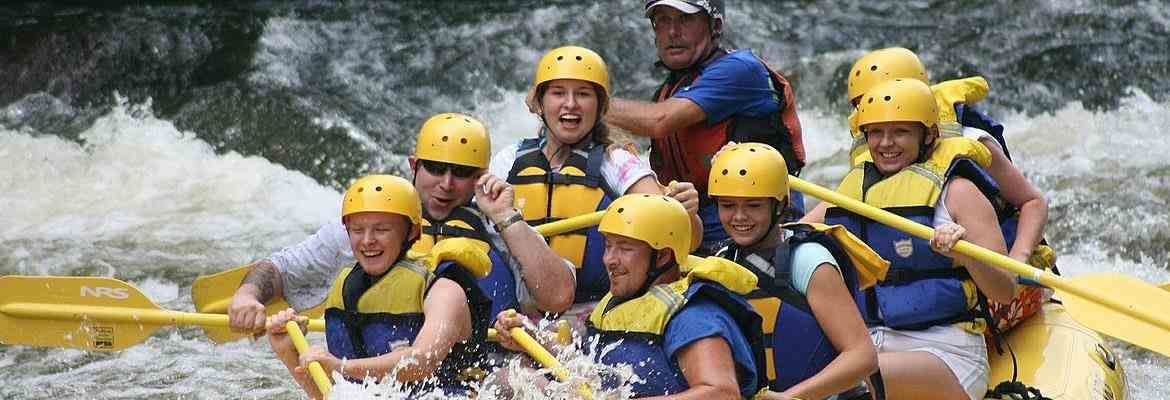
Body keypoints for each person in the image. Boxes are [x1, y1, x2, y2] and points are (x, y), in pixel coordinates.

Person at [228, 113, 576, 335]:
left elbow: (558, 297)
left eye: (461, 173)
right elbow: (280, 268)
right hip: (383, 371)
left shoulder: (498, 224)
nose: (446, 184)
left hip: (479, 372)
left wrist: (506, 218)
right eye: (435, 169)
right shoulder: (372, 224)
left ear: (481, 176)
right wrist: (247, 295)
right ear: (414, 165)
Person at [804, 79, 1018, 400]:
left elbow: (1005, 290)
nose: (886, 143)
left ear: (927, 135)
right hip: (868, 343)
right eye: (876, 132)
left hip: (946, 351)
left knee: (855, 379)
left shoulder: (959, 194)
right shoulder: (851, 193)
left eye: (900, 132)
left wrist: (967, 254)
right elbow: (788, 237)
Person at [838, 47, 1053, 331]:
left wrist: (1017, 261)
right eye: (861, 105)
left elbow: (1033, 202)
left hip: (997, 273)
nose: (870, 111)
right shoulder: (878, 147)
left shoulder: (969, 141)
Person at [499, 45, 702, 326]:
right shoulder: (509, 159)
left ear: (601, 106)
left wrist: (686, 212)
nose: (570, 104)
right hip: (515, 322)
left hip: (597, 318)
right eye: (558, 93)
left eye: (583, 94)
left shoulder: (616, 162)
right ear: (539, 103)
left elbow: (684, 236)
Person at [494, 193, 764, 398]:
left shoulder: (694, 317)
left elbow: (721, 393)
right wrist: (533, 339)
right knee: (509, 379)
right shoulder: (624, 302)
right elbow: (589, 370)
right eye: (608, 246)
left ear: (662, 256)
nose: (609, 260)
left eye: (624, 248)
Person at [603, 0, 807, 252]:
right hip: (698, 229)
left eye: (685, 19)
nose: (673, 32)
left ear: (715, 25)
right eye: (663, 20)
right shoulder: (670, 91)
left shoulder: (741, 70)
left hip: (758, 230)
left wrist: (585, 102)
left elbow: (659, 121)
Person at [265, 175, 492, 397]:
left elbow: (423, 361)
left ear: (412, 232)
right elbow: (331, 395)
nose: (367, 240)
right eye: (357, 230)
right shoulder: (346, 288)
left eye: (381, 230)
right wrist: (288, 351)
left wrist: (341, 367)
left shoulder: (445, 291)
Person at [709, 142, 883, 400]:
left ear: (780, 206)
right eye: (727, 205)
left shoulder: (809, 260)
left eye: (753, 205)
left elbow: (862, 356)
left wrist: (791, 397)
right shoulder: (722, 261)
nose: (739, 216)